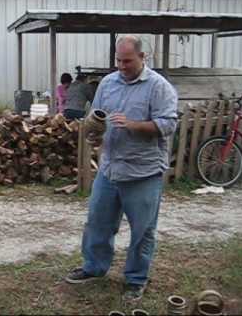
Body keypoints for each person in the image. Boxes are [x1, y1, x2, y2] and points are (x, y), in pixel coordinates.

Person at [65, 35, 178, 303]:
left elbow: (169, 124)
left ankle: (136, 279)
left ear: (143, 58)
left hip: (143, 173)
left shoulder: (159, 87)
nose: (122, 66)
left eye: (128, 61)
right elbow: (98, 116)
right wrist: (95, 134)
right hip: (110, 169)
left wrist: (134, 125)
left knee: (142, 231)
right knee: (97, 223)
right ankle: (94, 267)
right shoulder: (108, 82)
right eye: (118, 60)